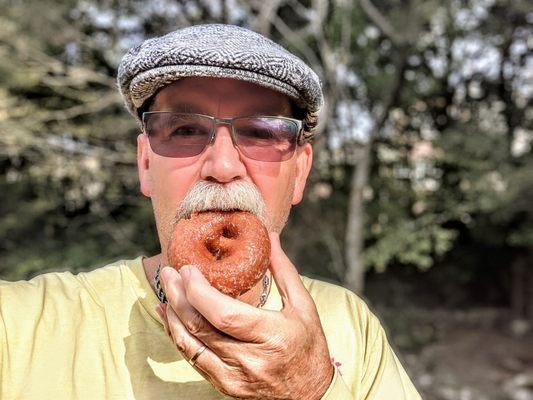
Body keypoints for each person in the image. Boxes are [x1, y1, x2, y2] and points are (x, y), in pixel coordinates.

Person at [0, 24, 421, 399]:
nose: (222, 167)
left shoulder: (349, 324)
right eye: (184, 130)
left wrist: (311, 388)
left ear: (299, 174)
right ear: (146, 165)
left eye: (260, 133)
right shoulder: (21, 327)